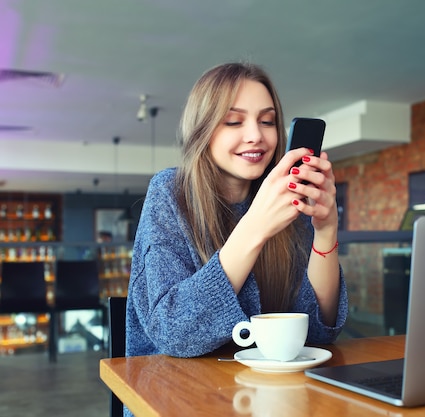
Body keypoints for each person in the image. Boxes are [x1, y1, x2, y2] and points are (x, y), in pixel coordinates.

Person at [126, 62, 348, 359]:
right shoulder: (171, 192)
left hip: (264, 390)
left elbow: (318, 334)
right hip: (176, 392)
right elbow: (173, 333)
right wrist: (255, 226)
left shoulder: (286, 197)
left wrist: (325, 230)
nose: (256, 135)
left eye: (267, 121)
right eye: (233, 122)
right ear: (202, 130)